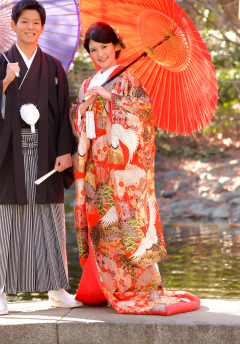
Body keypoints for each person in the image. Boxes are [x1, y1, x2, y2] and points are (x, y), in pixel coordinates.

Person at [70, 22, 200, 315]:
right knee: (101, 223)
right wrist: (81, 108)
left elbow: (142, 114)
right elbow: (77, 123)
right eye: (93, 50)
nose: (100, 54)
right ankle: (105, 285)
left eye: (104, 47)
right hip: (96, 166)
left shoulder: (128, 80)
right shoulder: (88, 82)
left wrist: (110, 98)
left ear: (116, 45)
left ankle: (135, 286)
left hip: (122, 168)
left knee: (124, 221)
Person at [0, 0, 82, 315]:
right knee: (6, 220)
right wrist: (4, 83)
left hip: (47, 153)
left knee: (49, 218)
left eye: (36, 23)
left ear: (42, 27)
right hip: (9, 154)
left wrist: (65, 151)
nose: (30, 27)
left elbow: (62, 113)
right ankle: (0, 293)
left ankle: (57, 288)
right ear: (13, 25)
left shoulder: (53, 68)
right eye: (24, 22)